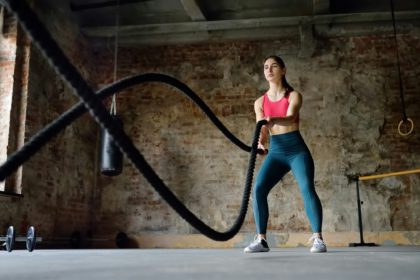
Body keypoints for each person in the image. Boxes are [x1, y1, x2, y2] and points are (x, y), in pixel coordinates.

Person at [244, 55, 327, 253]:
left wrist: (273, 120)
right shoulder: (259, 102)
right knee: (258, 189)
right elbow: (261, 130)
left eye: (273, 66)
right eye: (265, 67)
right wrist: (261, 143)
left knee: (307, 187)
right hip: (277, 152)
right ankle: (262, 240)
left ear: (283, 70)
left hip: (296, 149)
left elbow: (290, 117)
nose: (269, 70)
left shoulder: (294, 95)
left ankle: (318, 239)